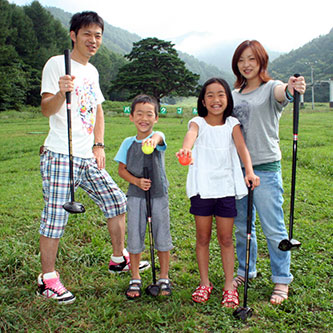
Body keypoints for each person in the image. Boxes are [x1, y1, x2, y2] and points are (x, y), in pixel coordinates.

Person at [37, 11, 148, 305]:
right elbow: (46, 109)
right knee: (55, 218)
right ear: (73, 35)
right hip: (61, 153)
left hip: (87, 155)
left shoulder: (93, 72)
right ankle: (47, 279)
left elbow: (97, 109)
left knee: (116, 201)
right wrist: (62, 92)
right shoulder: (56, 65)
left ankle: (118, 259)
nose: (93, 40)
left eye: (98, 35)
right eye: (87, 34)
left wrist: (99, 145)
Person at [231, 40, 306, 305]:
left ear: (261, 61)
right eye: (241, 60)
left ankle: (281, 279)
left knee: (274, 229)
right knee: (242, 227)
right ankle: (245, 271)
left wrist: (291, 87)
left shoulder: (270, 88)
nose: (246, 65)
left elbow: (283, 93)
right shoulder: (234, 93)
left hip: (266, 169)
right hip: (237, 169)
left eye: (251, 59)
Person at [176, 78, 260, 308]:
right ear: (203, 100)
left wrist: (249, 172)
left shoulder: (232, 123)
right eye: (210, 95)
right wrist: (185, 150)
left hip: (225, 189)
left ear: (227, 98)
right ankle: (204, 283)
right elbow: (189, 138)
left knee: (225, 239)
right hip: (202, 190)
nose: (216, 100)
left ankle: (228, 286)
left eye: (221, 94)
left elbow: (242, 148)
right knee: (202, 238)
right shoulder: (197, 122)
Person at [115, 94, 173, 299]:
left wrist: (152, 139)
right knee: (135, 235)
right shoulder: (127, 143)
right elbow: (121, 170)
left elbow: (159, 137)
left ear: (156, 118)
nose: (144, 118)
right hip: (135, 196)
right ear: (131, 117)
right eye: (139, 114)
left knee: (162, 235)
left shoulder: (158, 138)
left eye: (149, 114)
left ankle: (164, 277)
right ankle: (135, 277)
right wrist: (137, 181)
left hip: (158, 195)